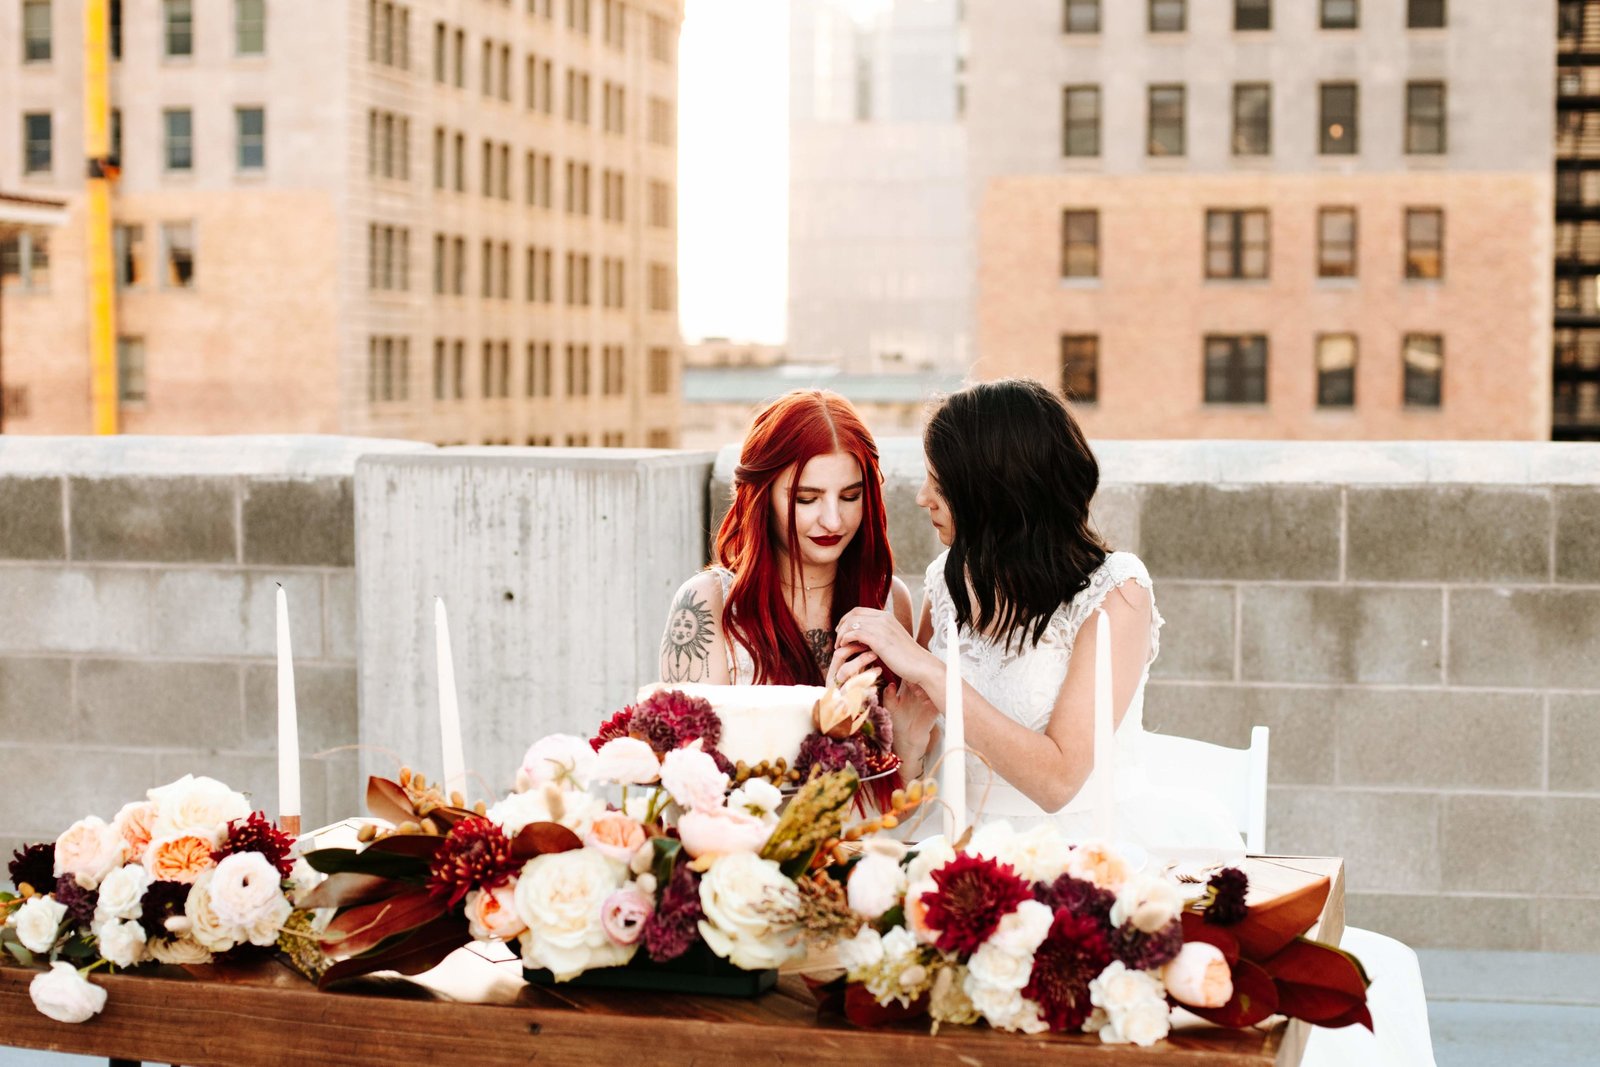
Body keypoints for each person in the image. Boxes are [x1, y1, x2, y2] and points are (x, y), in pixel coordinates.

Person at [831, 378, 1241, 855]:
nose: (923, 497)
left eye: (939, 482)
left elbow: (1058, 781)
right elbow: (915, 771)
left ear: (994, 490)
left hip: (1084, 844)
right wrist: (899, 730)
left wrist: (930, 671)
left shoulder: (1117, 591)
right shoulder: (945, 582)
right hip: (949, 834)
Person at [658, 389, 914, 687]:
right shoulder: (706, 603)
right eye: (806, 499)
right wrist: (829, 712)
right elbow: (690, 734)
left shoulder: (888, 599)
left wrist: (911, 732)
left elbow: (902, 732)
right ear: (762, 498)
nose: (833, 520)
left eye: (850, 496)